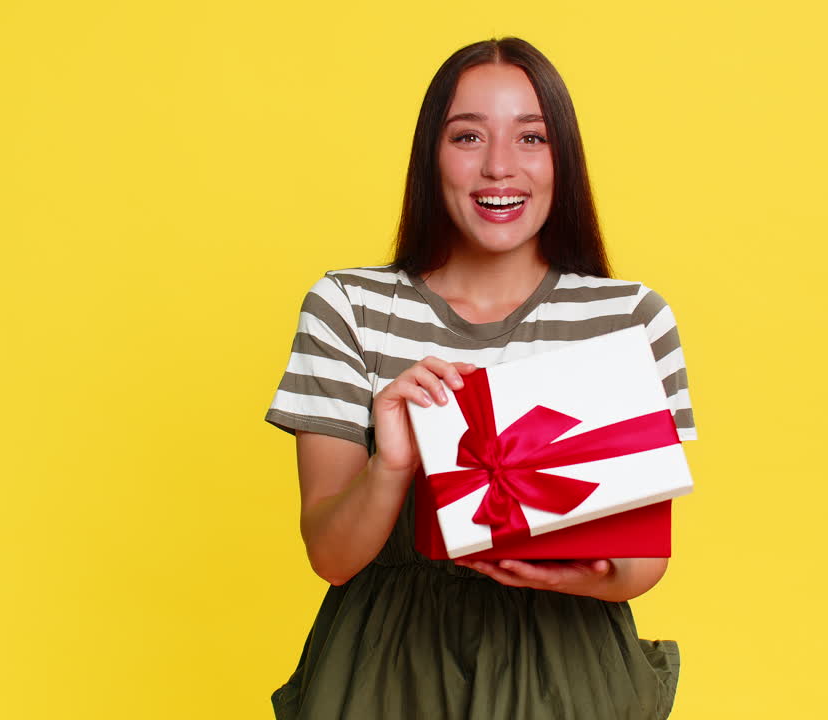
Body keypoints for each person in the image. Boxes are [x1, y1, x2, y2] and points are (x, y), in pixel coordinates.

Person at [264, 36, 697, 720]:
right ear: (431, 157)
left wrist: (574, 573)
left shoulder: (629, 320)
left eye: (532, 138)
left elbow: (641, 567)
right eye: (468, 137)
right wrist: (391, 465)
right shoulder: (349, 307)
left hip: (569, 671)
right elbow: (331, 556)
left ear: (565, 160)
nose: (500, 167)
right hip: (387, 670)